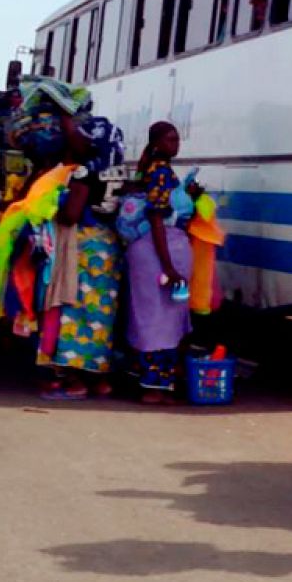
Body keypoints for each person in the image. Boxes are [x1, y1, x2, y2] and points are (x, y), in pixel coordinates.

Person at [38, 119, 124, 401]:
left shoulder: (86, 172)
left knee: (76, 309)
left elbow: (72, 213)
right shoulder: (118, 171)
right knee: (102, 314)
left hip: (84, 248)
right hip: (109, 245)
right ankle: (100, 379)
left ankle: (74, 379)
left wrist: (54, 210)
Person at [125, 122, 194, 404]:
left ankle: (151, 381)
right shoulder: (161, 172)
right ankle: (153, 388)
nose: (175, 144)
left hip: (152, 252)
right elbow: (156, 218)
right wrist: (168, 266)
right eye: (170, 139)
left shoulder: (152, 169)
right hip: (159, 252)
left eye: (177, 139)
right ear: (156, 142)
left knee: (150, 318)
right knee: (159, 321)